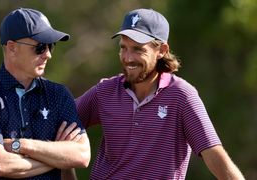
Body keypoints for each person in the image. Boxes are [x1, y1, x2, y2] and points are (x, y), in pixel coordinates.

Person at [76, 8, 245, 179]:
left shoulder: (181, 96)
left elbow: (214, 155)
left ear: (162, 50)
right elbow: (56, 121)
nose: (128, 58)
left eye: (137, 49)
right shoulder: (105, 91)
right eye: (123, 48)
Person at [0, 8, 90, 179]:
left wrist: (21, 146)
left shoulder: (59, 94)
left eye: (50, 46)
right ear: (12, 48)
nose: (48, 55)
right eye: (40, 47)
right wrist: (58, 157)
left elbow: (82, 156)